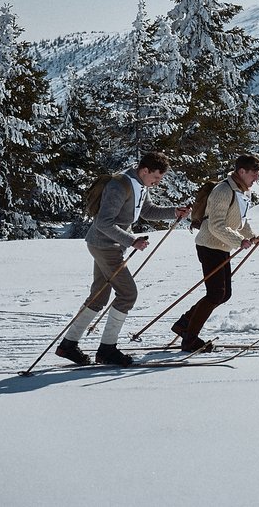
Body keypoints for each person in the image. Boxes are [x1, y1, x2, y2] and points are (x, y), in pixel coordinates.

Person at [55, 152, 191, 366]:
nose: (156, 183)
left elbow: (146, 210)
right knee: (128, 294)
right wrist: (131, 240)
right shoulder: (120, 186)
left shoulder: (139, 185)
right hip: (105, 245)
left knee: (99, 297)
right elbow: (103, 222)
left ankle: (68, 346)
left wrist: (173, 212)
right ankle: (107, 350)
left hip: (108, 245)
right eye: (155, 178)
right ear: (144, 170)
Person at [172, 153, 259, 352]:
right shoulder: (223, 190)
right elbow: (215, 225)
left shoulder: (242, 191)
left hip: (222, 247)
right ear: (241, 172)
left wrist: (253, 236)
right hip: (209, 246)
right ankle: (190, 339)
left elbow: (240, 221)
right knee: (216, 294)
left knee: (224, 294)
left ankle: (184, 324)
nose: (256, 177)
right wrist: (239, 241)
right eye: (254, 173)